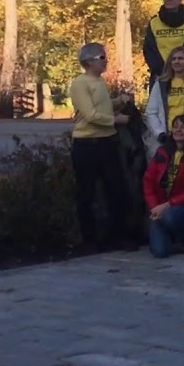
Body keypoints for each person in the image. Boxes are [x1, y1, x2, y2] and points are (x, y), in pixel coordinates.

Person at [68, 42, 133, 252]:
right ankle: (89, 240)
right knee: (87, 193)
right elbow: (90, 115)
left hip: (107, 143)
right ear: (88, 61)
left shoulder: (100, 81)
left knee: (116, 190)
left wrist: (117, 101)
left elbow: (101, 106)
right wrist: (116, 120)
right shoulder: (80, 83)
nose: (106, 61)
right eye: (102, 57)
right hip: (87, 144)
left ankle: (117, 236)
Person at [142, 115, 184, 259]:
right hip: (160, 208)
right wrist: (154, 206)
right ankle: (175, 239)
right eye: (176, 126)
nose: (179, 130)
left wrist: (168, 205)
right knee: (159, 251)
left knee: (170, 216)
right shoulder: (162, 152)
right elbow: (148, 180)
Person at [143, 46, 184, 157]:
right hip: (165, 136)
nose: (176, 61)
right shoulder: (160, 84)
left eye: (180, 58)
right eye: (173, 59)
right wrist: (159, 133)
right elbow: (151, 112)